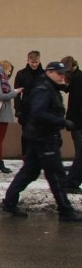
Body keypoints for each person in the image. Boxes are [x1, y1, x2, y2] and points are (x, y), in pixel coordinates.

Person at [1, 61, 82, 222]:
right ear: (49, 72)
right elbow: (38, 113)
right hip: (43, 139)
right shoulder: (44, 90)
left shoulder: (49, 88)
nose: (62, 77)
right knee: (56, 175)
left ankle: (9, 202)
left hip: (39, 137)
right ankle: (66, 211)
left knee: (29, 172)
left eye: (63, 74)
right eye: (59, 74)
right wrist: (62, 122)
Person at [0, 60, 22, 173]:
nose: (9, 73)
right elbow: (0, 95)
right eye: (9, 70)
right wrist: (15, 92)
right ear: (5, 68)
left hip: (3, 111)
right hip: (0, 112)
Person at [13, 50, 44, 158]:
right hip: (26, 110)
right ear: (28, 61)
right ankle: (26, 156)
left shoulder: (44, 74)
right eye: (32, 62)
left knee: (40, 134)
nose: (35, 65)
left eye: (36, 62)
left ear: (39, 61)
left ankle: (38, 156)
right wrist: (18, 110)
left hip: (41, 109)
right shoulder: (21, 74)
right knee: (26, 135)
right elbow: (16, 93)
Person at [60, 56, 82, 194]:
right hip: (77, 121)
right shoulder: (76, 78)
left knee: (80, 153)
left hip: (77, 120)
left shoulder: (77, 79)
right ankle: (71, 182)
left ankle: (71, 181)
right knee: (80, 153)